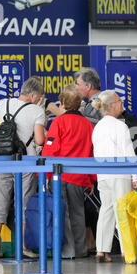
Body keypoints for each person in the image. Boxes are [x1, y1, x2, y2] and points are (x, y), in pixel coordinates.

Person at [0, 77, 45, 259]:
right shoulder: (37, 111)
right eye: (39, 97)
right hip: (26, 162)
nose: (39, 100)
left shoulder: (4, 102)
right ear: (32, 94)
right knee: (22, 205)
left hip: (2, 160)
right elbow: (39, 140)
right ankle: (21, 247)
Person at [41, 85, 95, 259]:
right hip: (80, 177)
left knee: (61, 214)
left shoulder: (58, 122)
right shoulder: (88, 125)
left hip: (60, 175)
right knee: (79, 214)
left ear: (62, 103)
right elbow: (92, 153)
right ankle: (80, 250)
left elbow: (50, 151)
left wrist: (46, 176)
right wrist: (92, 179)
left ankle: (66, 251)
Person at [91, 90, 137, 263]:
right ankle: (128, 252)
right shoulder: (120, 126)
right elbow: (128, 153)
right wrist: (135, 176)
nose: (122, 103)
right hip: (121, 174)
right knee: (122, 213)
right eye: (119, 101)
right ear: (111, 105)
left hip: (103, 175)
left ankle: (101, 250)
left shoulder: (98, 126)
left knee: (106, 210)